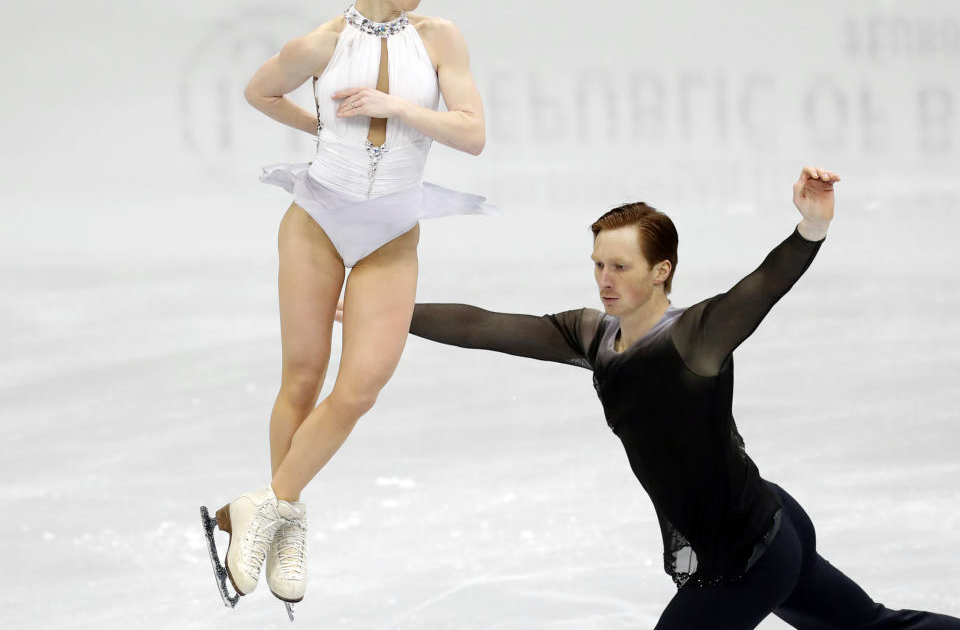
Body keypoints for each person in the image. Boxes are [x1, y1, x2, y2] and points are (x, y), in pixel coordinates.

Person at [388, 167, 960, 628]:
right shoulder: (592, 335)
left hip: (750, 552)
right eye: (598, 265)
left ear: (661, 271)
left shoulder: (696, 337)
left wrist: (810, 228)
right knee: (873, 626)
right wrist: (390, 314)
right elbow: (485, 326)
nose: (604, 279)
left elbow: (762, 286)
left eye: (620, 266)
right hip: (765, 522)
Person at [212, 0, 491, 607]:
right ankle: (286, 522)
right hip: (317, 221)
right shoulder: (321, 42)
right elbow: (259, 91)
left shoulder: (441, 39)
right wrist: (322, 126)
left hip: (392, 231)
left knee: (360, 386)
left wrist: (394, 108)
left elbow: (472, 133)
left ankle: (265, 505)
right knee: (302, 378)